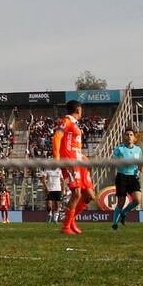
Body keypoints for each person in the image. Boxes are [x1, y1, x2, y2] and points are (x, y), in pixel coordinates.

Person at [54, 100, 94, 235]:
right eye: (81, 109)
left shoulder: (75, 124)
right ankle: (66, 226)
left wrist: (84, 157)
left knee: (89, 195)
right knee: (76, 194)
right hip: (70, 162)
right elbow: (57, 137)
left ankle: (71, 221)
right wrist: (57, 158)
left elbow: (73, 145)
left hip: (79, 162)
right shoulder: (67, 121)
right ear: (78, 110)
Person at [111, 128, 143, 230]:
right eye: (127, 135)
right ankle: (115, 224)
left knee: (137, 200)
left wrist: (141, 168)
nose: (129, 136)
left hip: (133, 177)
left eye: (131, 135)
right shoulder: (119, 149)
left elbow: (140, 162)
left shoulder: (138, 150)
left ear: (134, 138)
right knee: (121, 201)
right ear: (124, 137)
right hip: (121, 177)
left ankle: (124, 213)